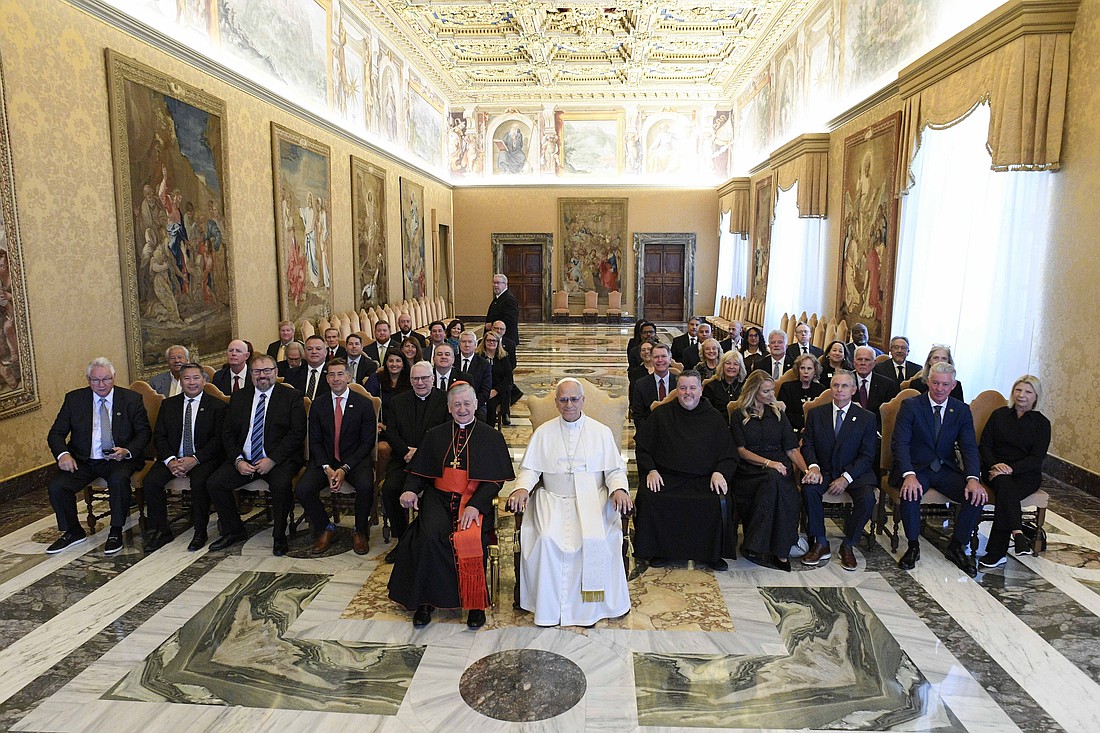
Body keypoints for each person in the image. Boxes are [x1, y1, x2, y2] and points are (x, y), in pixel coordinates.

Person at [388, 383, 514, 629]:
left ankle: (475, 603)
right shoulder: (435, 435)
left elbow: (495, 482)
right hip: (438, 498)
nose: (462, 409)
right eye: (457, 404)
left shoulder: (491, 437)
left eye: (467, 403)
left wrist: (476, 506)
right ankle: (426, 601)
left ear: (476, 405)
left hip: (475, 501)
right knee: (429, 537)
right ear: (449, 408)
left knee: (470, 539)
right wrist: (410, 489)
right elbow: (420, 471)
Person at [507, 378, 633, 626]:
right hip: (552, 499)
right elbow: (531, 470)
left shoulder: (601, 432)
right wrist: (521, 488)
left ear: (583, 401)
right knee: (545, 539)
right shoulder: (544, 433)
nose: (569, 404)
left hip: (592, 499)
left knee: (596, 539)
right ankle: (548, 607)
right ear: (556, 402)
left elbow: (614, 471)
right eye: (563, 399)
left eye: (574, 399)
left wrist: (619, 489)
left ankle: (590, 609)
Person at [45, 357, 151, 555]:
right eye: (96, 380)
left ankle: (116, 531)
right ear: (88, 379)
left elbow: (144, 432)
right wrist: (63, 455)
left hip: (117, 458)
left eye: (106, 379)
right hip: (84, 459)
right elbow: (56, 433)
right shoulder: (74, 399)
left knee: (119, 480)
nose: (101, 385)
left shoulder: (131, 399)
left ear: (114, 378)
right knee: (57, 486)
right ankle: (73, 531)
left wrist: (126, 451)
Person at [633, 370, 738, 570]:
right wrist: (651, 470)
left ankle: (711, 554)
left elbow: (728, 453)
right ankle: (660, 550)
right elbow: (643, 448)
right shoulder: (661, 414)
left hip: (704, 479)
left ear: (700, 390)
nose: (687, 393)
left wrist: (720, 472)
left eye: (692, 388)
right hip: (667, 478)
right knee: (650, 496)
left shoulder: (714, 417)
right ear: (676, 390)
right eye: (682, 388)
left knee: (717, 499)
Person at [207, 354, 306, 556]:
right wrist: (238, 460)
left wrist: (272, 460)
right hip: (245, 459)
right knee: (214, 483)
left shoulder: (291, 397)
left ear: (276, 373)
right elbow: (227, 433)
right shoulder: (239, 397)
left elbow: (296, 434)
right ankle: (234, 530)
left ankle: (279, 535)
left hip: (279, 459)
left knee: (281, 486)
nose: (262, 376)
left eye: (267, 371)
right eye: (257, 371)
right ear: (250, 374)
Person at [893, 361, 985, 576]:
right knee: (910, 493)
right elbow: (900, 443)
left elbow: (969, 447)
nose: (939, 389)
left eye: (945, 384)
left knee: (975, 496)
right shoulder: (911, 406)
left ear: (953, 385)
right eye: (935, 383)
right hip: (917, 468)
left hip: (944, 469)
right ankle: (913, 546)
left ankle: (957, 546)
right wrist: (908, 474)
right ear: (927, 382)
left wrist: (973, 478)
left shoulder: (961, 410)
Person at [295, 359, 377, 556]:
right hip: (325, 461)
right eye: (331, 374)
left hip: (355, 461)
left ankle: (359, 530)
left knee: (366, 486)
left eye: (340, 374)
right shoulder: (318, 405)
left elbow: (367, 443)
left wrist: (345, 468)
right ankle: (326, 527)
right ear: (326, 378)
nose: (336, 378)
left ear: (349, 377)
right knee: (303, 489)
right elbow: (314, 441)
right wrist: (327, 468)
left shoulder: (364, 404)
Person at [143, 362, 227, 553]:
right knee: (151, 482)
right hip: (173, 458)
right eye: (187, 378)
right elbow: (160, 436)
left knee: (199, 482)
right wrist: (171, 460)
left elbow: (218, 441)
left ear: (204, 380)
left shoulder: (217, 406)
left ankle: (200, 531)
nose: (191, 383)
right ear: (180, 381)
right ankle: (160, 530)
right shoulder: (168, 405)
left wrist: (195, 459)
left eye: (196, 378)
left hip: (203, 459)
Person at [729, 370, 808, 571]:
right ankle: (769, 547)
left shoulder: (778, 414)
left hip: (780, 470)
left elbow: (791, 448)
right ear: (754, 391)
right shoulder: (739, 415)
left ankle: (772, 546)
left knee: (781, 487)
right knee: (773, 482)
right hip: (750, 471)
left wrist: (806, 471)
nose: (772, 395)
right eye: (766, 391)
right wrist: (768, 463)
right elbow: (741, 451)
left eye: (772, 390)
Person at [800, 370, 878, 570]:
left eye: (844, 386)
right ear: (830, 388)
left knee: (868, 498)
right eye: (835, 385)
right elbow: (807, 445)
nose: (839, 390)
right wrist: (814, 467)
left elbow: (868, 455)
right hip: (824, 469)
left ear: (853, 389)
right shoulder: (817, 414)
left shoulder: (867, 418)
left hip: (855, 473)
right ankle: (820, 542)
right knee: (809, 490)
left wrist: (846, 477)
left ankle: (849, 544)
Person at [977, 375, 1052, 568]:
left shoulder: (1042, 423)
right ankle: (1017, 534)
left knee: (1005, 492)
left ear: (1036, 396)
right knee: (1004, 485)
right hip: (994, 469)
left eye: (1028, 392)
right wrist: (995, 465)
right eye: (1018, 390)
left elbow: (1037, 458)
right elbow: (985, 445)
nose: (1022, 395)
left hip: (1026, 473)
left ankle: (998, 552)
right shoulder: (999, 414)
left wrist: (1011, 469)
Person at [380, 361, 450, 558]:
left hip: (435, 462)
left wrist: (421, 453)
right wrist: (405, 451)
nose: (420, 382)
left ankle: (431, 540)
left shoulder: (445, 400)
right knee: (390, 489)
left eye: (424, 378)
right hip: (403, 459)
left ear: (433, 379)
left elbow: (447, 433)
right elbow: (391, 432)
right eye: (416, 378)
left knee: (435, 496)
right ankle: (403, 539)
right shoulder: (398, 401)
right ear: (410, 381)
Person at [777, 353, 826, 433]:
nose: (805, 371)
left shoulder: (821, 389)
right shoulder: (787, 387)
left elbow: (822, 415)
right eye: (802, 368)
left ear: (815, 371)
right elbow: (782, 413)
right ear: (798, 370)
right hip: (790, 430)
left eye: (809, 368)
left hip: (813, 431)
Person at [851, 345, 898, 426]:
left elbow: (889, 416)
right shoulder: (844, 382)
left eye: (867, 360)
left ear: (874, 363)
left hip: (876, 430)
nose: (863, 363)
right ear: (854, 362)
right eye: (859, 359)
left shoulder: (887, 385)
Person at [630, 343, 677, 424]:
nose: (660, 360)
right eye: (656, 357)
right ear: (651, 359)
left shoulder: (679, 383)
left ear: (670, 359)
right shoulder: (641, 384)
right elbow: (638, 416)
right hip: (650, 431)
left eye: (663, 356)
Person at [478, 331, 513, 427]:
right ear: (484, 342)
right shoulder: (479, 356)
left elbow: (508, 378)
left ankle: (489, 429)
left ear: (498, 343)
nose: (491, 343)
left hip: (498, 391)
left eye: (494, 341)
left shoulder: (503, 357)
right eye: (489, 340)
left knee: (491, 405)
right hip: (482, 389)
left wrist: (496, 390)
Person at [287, 335, 330, 402]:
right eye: (309, 349)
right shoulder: (293, 373)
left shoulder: (332, 374)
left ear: (325, 352)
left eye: (318, 349)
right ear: (304, 352)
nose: (314, 352)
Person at [485, 273, 520, 355]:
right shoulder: (499, 297)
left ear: (505, 284)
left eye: (498, 283)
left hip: (506, 338)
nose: (495, 285)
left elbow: (511, 319)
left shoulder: (508, 299)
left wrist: (492, 325)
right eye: (494, 283)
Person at [456, 331, 492, 408]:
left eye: (470, 342)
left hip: (476, 405)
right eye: (463, 342)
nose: (467, 345)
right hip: (454, 404)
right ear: (459, 344)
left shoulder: (484, 364)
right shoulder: (452, 361)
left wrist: (472, 405)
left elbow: (485, 390)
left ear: (475, 345)